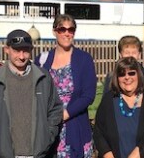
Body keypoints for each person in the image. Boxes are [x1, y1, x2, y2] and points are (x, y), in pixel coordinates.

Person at [0, 30, 63, 157]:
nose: (22, 56)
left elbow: (55, 110)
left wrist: (47, 137)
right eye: (17, 51)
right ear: (7, 49)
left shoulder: (43, 77)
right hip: (5, 153)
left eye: (26, 51)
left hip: (39, 154)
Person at [34, 14, 97, 158]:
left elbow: (88, 95)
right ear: (54, 31)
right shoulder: (42, 60)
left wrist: (64, 115)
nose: (67, 33)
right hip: (48, 127)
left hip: (74, 125)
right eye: (62, 29)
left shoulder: (84, 59)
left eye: (71, 29)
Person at [94, 57, 144, 158]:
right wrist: (107, 154)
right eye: (122, 74)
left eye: (131, 73)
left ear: (138, 75)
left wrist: (135, 155)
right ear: (117, 77)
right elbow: (99, 132)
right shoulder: (109, 99)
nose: (127, 77)